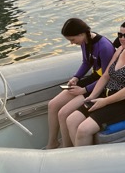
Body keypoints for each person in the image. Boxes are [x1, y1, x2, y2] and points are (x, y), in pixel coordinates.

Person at [65, 20, 125, 146]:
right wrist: (92, 96)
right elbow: (106, 75)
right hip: (109, 93)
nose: (122, 39)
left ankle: (85, 163)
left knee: (83, 129)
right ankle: (78, 158)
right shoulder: (121, 50)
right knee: (71, 120)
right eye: (120, 35)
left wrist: (104, 102)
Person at [45, 18, 115, 149]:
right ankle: (52, 142)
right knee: (53, 105)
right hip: (93, 79)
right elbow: (86, 62)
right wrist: (76, 77)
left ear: (81, 34)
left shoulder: (104, 46)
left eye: (72, 40)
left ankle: (67, 148)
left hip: (100, 86)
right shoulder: (85, 41)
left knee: (63, 113)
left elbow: (107, 78)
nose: (72, 43)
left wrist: (83, 90)